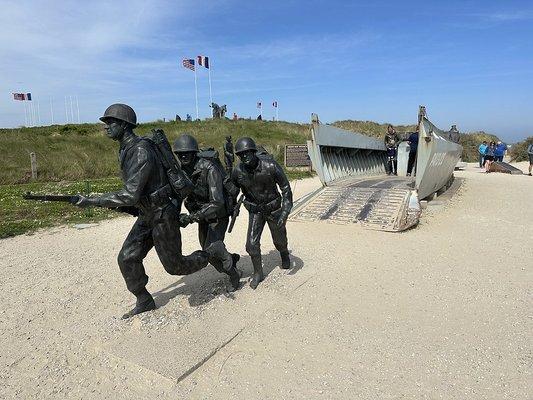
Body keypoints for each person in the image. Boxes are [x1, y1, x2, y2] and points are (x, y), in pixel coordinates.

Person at [74, 104, 209, 318]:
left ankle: (208, 255)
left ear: (125, 125)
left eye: (111, 122)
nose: (106, 127)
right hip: (147, 213)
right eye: (105, 123)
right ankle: (144, 300)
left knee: (175, 267)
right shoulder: (126, 148)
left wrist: (92, 201)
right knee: (127, 258)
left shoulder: (140, 150)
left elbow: (130, 194)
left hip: (163, 213)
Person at [172, 134, 242, 291]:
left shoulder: (209, 169)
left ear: (194, 152)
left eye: (187, 152)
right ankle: (232, 260)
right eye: (180, 153)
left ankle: (234, 274)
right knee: (207, 253)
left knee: (213, 249)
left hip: (218, 214)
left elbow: (217, 202)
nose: (183, 156)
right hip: (202, 216)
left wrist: (191, 217)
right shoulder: (183, 171)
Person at [231, 137, 293, 289]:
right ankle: (258, 272)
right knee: (251, 245)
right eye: (241, 155)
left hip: (274, 209)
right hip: (256, 211)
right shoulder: (238, 171)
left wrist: (285, 212)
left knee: (279, 240)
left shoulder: (270, 166)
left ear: (253, 152)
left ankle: (284, 252)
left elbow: (286, 189)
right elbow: (231, 192)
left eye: (247, 153)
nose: (244, 157)